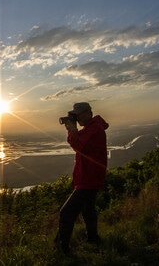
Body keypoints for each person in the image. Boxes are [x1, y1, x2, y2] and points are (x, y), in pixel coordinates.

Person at [55, 102, 109, 254]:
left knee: (66, 213)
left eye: (78, 114)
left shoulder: (94, 129)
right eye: (75, 115)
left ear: (88, 113)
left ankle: (62, 248)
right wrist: (73, 129)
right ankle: (93, 239)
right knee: (88, 210)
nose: (77, 117)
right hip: (88, 177)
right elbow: (80, 144)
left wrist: (72, 129)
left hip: (89, 179)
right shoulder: (89, 129)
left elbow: (79, 146)